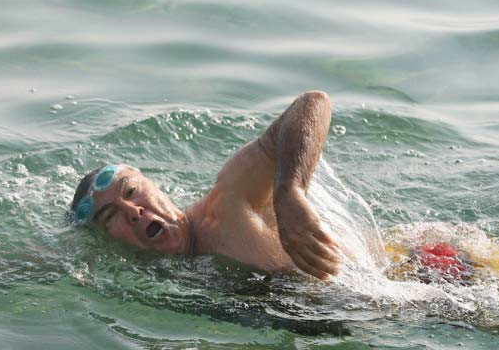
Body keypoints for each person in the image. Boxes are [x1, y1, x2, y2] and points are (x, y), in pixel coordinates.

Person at [71, 91, 342, 281]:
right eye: (110, 216)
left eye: (131, 192)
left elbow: (313, 103)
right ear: (105, 243)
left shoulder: (229, 203)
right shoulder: (164, 281)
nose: (132, 211)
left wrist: (290, 191)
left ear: (155, 186)